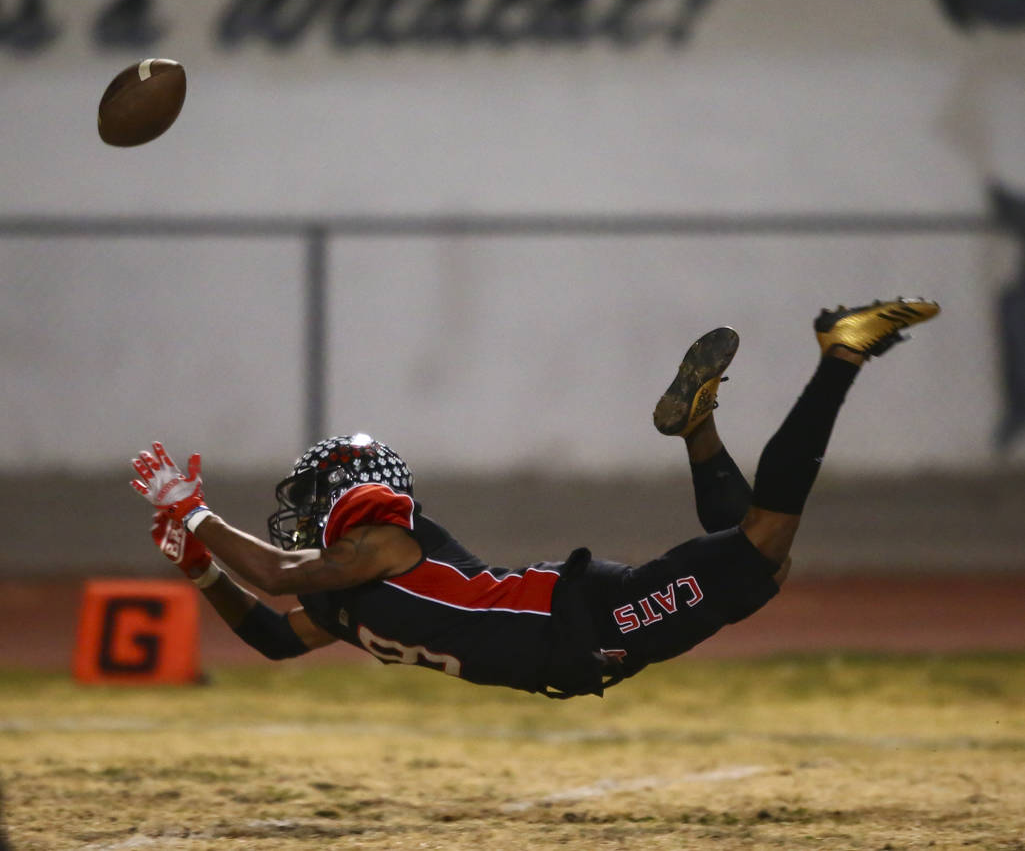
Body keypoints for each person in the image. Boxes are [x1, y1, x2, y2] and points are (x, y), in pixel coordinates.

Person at [132, 297, 939, 699]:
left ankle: (843, 352)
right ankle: (696, 430)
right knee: (756, 560)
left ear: (348, 490)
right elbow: (273, 636)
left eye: (313, 495)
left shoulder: (377, 545)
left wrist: (194, 511)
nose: (303, 514)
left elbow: (275, 574)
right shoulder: (344, 590)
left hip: (583, 616)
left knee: (763, 548)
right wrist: (202, 570)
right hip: (577, 645)